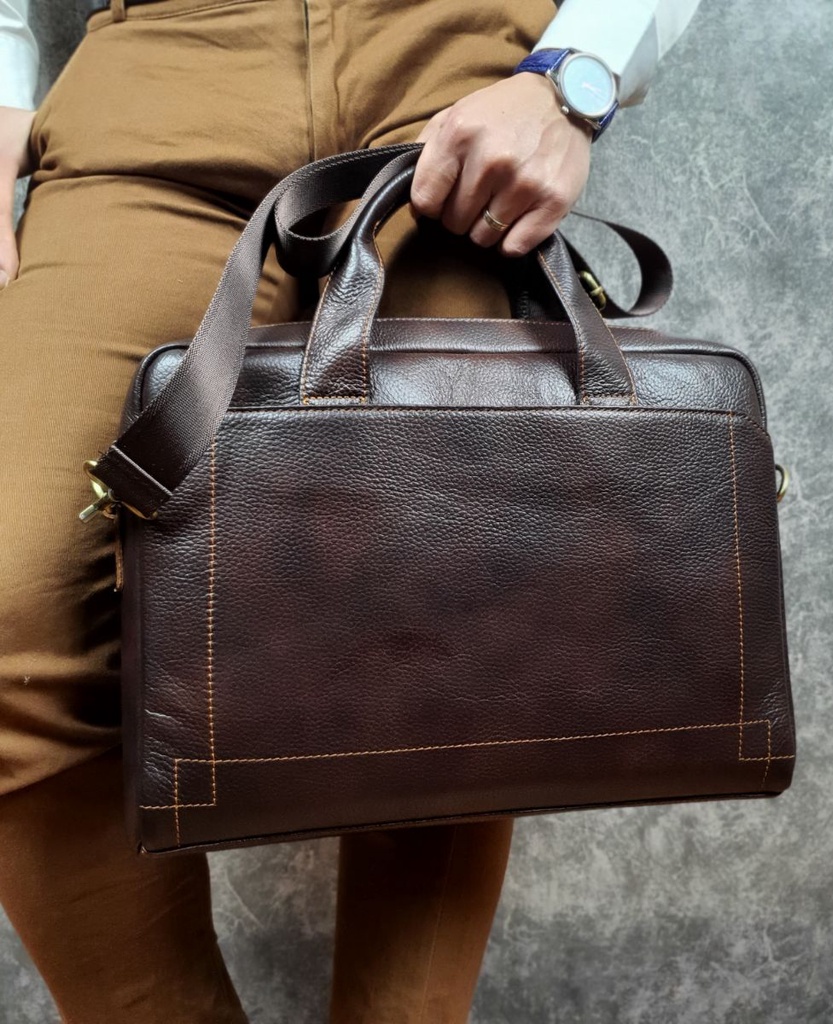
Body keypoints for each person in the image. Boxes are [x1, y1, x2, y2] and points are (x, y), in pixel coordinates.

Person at [0, 1, 699, 1020]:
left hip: (455, 74)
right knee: (14, 604)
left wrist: (576, 76)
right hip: (161, 74)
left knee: (447, 601)